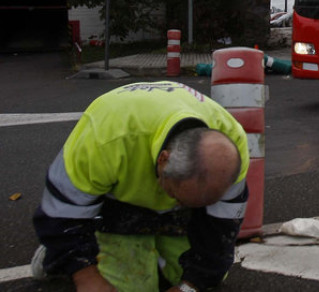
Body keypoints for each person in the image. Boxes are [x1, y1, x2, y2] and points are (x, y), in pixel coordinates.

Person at [32, 81, 250, 292]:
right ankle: (57, 255)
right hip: (114, 207)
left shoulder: (232, 150)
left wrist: (189, 286)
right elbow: (59, 212)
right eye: (176, 196)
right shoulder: (106, 139)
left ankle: (158, 247)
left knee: (211, 276)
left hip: (183, 217)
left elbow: (222, 229)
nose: (176, 204)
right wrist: (84, 274)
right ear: (163, 160)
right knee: (130, 286)